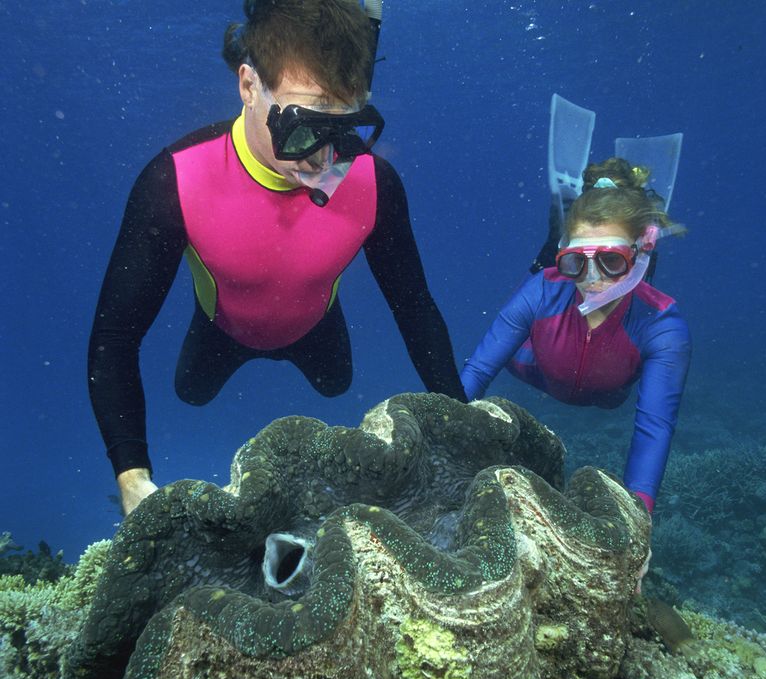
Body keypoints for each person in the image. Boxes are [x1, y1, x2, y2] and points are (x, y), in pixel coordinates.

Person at [88, 0, 466, 516]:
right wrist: (133, 476)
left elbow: (415, 307)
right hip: (220, 331)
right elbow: (115, 337)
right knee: (191, 392)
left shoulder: (374, 184)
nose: (322, 157)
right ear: (248, 86)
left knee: (337, 385)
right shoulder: (175, 182)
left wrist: (464, 425)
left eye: (341, 129)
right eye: (302, 126)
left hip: (315, 328)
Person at [461, 158, 691, 514]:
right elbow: (477, 370)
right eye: (575, 262)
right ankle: (554, 251)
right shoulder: (543, 289)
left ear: (639, 254)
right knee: (543, 282)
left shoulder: (664, 326)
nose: (591, 278)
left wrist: (637, 517)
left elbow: (655, 427)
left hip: (610, 391)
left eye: (611, 261)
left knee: (619, 310)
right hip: (533, 366)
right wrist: (441, 432)